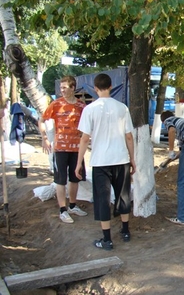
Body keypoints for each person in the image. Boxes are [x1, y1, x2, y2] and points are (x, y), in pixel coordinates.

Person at [75, 73, 135, 250]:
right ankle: (125, 231)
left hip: (101, 161)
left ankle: (107, 239)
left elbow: (85, 139)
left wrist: (79, 162)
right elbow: (129, 137)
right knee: (123, 195)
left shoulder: (89, 109)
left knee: (102, 198)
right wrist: (132, 159)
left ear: (95, 88)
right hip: (121, 159)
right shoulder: (122, 108)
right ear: (110, 87)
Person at [39, 75, 87, 224]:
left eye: (65, 88)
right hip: (60, 148)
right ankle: (62, 210)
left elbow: (87, 125)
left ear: (73, 88)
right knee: (60, 180)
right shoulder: (56, 104)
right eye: (61, 88)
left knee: (75, 178)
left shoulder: (81, 106)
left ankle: (72, 205)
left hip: (77, 149)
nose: (62, 91)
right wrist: (44, 138)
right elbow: (41, 120)